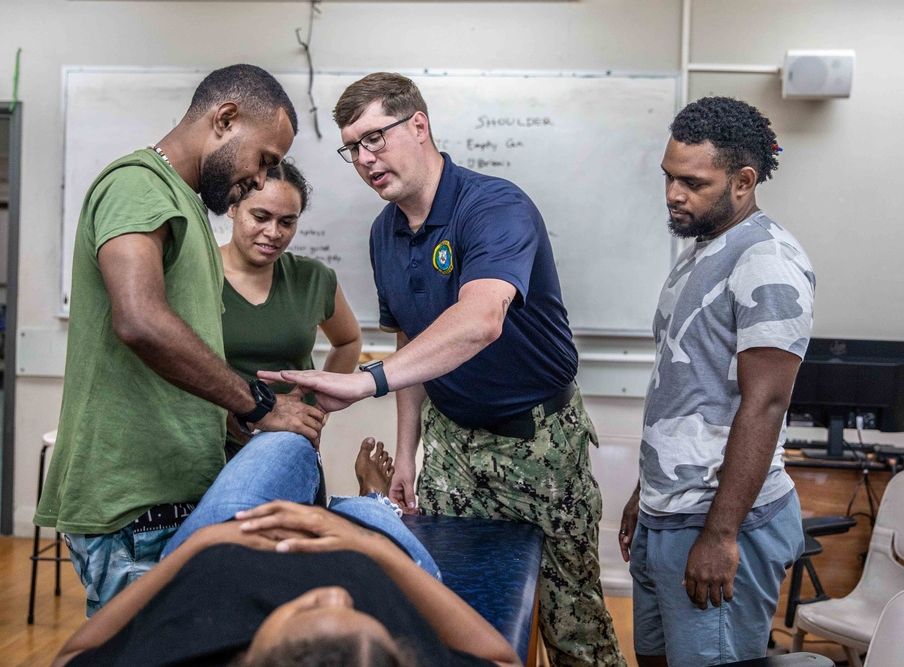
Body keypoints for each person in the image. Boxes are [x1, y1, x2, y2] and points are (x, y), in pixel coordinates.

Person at [261, 73, 624, 666]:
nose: (364, 158)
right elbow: (411, 338)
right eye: (352, 147)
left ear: (420, 125)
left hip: (537, 440)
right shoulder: (384, 233)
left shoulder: (494, 205)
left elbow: (481, 319)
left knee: (570, 624)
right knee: (445, 603)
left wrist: (364, 381)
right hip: (451, 443)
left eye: (375, 138)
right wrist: (409, 451)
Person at [34, 64, 326, 617]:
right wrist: (258, 404)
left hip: (176, 497)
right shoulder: (137, 185)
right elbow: (140, 320)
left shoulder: (185, 204)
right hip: (135, 510)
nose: (261, 178)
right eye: (263, 159)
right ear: (225, 119)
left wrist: (232, 419)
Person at [618, 97, 813, 666]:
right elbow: (687, 388)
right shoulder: (700, 248)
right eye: (668, 177)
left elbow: (767, 404)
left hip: (721, 519)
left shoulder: (766, 260)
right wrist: (644, 493)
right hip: (668, 511)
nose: (673, 194)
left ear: (743, 181)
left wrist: (721, 534)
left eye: (692, 182)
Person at [51, 435, 521, 667]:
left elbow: (76, 653)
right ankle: (370, 499)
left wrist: (200, 544)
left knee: (286, 443)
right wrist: (371, 549)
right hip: (365, 547)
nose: (336, 595)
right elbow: (501, 660)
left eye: (309, 612)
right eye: (374, 628)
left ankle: (343, 499)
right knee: (372, 513)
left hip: (232, 536)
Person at [220, 159, 361, 459]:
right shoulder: (197, 275)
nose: (274, 232)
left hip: (290, 449)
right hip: (211, 449)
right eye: (260, 216)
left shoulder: (313, 278)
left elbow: (348, 341)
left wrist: (318, 409)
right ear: (232, 207)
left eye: (287, 222)